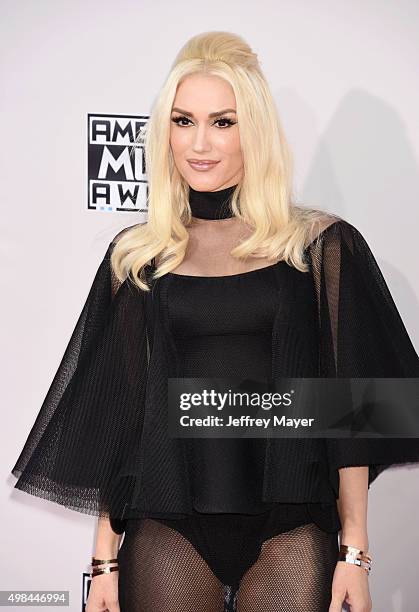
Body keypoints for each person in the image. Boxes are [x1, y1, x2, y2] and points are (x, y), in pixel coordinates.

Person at [11, 31, 419, 612]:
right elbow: (121, 413)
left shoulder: (318, 247)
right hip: (167, 526)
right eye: (183, 121)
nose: (200, 143)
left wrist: (354, 551)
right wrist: (104, 559)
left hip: (292, 527)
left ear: (254, 132)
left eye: (222, 122)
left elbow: (355, 408)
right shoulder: (138, 255)